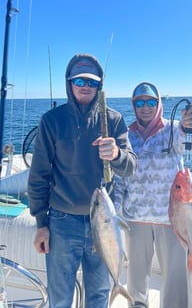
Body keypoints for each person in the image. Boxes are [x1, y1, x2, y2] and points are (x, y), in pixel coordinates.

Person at [27, 53, 137, 308]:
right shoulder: (51, 121)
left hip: (104, 222)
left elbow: (131, 167)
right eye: (79, 81)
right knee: (60, 297)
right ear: (69, 83)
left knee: (99, 295)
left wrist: (117, 154)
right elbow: (39, 176)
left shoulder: (114, 120)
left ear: (100, 85)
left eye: (92, 82)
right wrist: (41, 224)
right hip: (62, 223)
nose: (86, 86)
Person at [114, 82, 192, 308]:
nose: (145, 107)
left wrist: (191, 127)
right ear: (134, 106)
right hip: (135, 217)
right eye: (140, 103)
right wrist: (114, 211)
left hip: (171, 219)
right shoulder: (126, 136)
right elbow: (120, 177)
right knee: (136, 276)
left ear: (159, 103)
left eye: (151, 102)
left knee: (174, 278)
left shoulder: (173, 128)